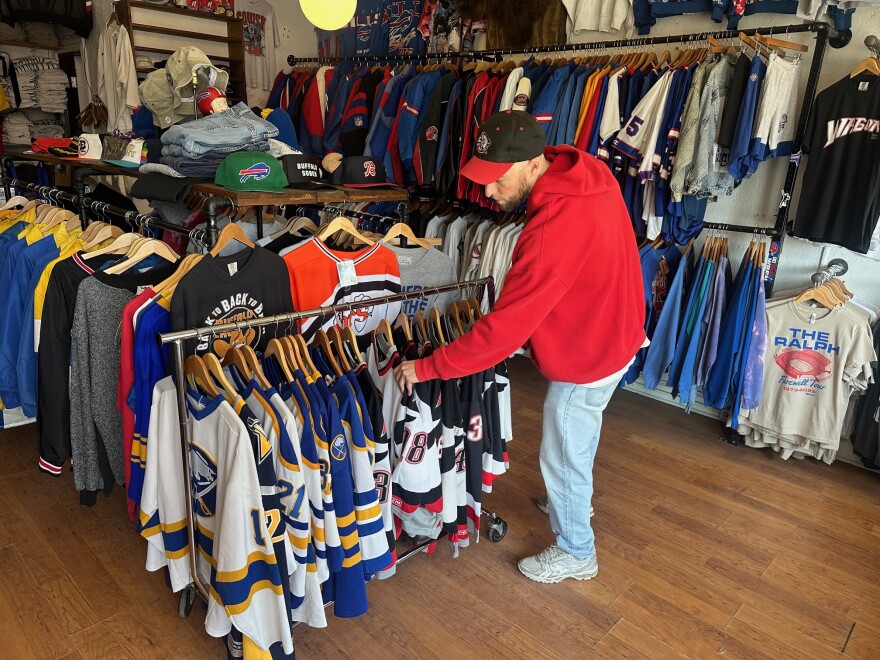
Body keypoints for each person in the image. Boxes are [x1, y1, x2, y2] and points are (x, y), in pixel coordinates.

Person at [393, 110, 646, 583]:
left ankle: (577, 551)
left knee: (563, 447)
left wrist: (430, 367)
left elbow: (502, 332)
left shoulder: (552, 230)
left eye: (497, 180)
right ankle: (572, 498)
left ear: (533, 165)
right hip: (620, 331)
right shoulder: (586, 170)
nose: (487, 193)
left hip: (590, 355)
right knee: (579, 437)